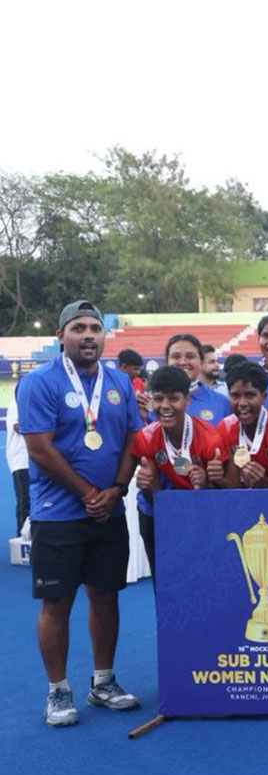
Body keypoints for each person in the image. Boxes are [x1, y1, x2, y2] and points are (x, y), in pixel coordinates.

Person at [17, 301, 143, 726]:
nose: (88, 335)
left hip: (108, 511)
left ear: (104, 336)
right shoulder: (39, 382)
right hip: (58, 514)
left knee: (105, 596)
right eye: (78, 328)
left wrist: (117, 490)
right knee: (57, 602)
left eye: (94, 328)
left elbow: (133, 440)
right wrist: (90, 493)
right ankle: (58, 691)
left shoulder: (120, 382)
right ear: (61, 336)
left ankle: (103, 682)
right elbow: (39, 449)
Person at [131, 365, 223, 578]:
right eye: (158, 399)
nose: (165, 406)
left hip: (199, 515)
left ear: (187, 400)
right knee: (164, 581)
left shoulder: (209, 437)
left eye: (173, 399)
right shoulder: (145, 437)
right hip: (157, 515)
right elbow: (153, 497)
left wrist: (207, 483)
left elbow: (220, 494)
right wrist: (148, 485)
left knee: (202, 578)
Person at [211, 362, 268, 490]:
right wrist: (215, 479)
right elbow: (234, 488)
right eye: (235, 396)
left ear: (264, 397)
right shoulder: (226, 427)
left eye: (250, 395)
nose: (242, 403)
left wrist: (264, 483)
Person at [161, 333, 232, 426]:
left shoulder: (222, 403)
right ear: (166, 361)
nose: (183, 362)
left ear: (201, 362)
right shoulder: (154, 403)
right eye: (176, 357)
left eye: (190, 356)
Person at [7, 390, 31, 535]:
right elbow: (18, 427)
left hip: (39, 460)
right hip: (21, 461)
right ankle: (21, 536)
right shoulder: (15, 405)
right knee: (24, 500)